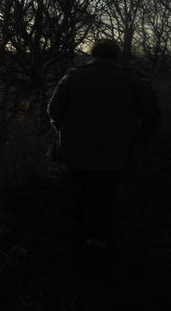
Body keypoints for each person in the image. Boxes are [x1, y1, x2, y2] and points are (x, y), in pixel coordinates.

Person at [47, 39, 160, 250]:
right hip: (116, 150)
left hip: (76, 148)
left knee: (80, 189)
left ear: (92, 54)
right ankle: (98, 240)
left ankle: (80, 238)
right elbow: (152, 114)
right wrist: (140, 139)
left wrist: (64, 132)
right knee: (106, 192)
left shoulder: (73, 76)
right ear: (116, 55)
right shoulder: (133, 80)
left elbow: (53, 111)